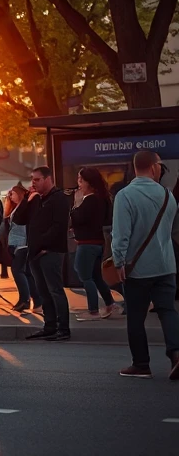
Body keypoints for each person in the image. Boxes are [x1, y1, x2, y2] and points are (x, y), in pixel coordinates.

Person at [111, 151, 179, 380]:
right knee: (167, 311)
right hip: (166, 265)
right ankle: (176, 354)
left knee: (136, 317)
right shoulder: (168, 196)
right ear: (153, 167)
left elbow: (120, 234)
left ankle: (141, 364)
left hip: (137, 268)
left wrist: (119, 261)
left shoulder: (125, 196)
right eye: (160, 166)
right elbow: (169, 231)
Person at [13, 166, 71, 341]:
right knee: (43, 291)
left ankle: (63, 328)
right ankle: (49, 326)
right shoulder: (36, 199)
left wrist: (42, 244)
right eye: (32, 180)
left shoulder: (59, 198)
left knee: (55, 290)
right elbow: (18, 219)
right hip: (35, 253)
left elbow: (58, 227)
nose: (34, 183)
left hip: (50, 251)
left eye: (37, 180)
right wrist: (26, 199)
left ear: (48, 179)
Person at [71, 167, 123, 321]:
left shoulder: (90, 200)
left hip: (87, 243)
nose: (78, 183)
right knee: (96, 276)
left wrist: (76, 204)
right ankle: (110, 304)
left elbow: (78, 219)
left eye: (81, 180)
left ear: (89, 182)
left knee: (85, 276)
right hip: (97, 242)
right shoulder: (101, 199)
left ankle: (93, 311)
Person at [5, 185, 43, 314]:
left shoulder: (24, 205)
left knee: (17, 270)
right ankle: (36, 301)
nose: (10, 197)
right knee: (26, 272)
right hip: (19, 243)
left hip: (22, 244)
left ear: (19, 193)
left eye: (12, 194)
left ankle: (25, 299)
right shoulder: (19, 206)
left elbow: (21, 222)